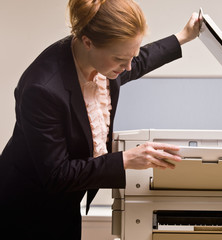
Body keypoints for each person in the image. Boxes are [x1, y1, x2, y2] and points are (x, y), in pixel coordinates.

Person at [0, 0, 200, 239]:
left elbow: (138, 61)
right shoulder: (42, 89)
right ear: (88, 42)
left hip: (65, 205)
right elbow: (56, 175)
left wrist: (183, 36)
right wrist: (125, 160)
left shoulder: (101, 61)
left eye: (131, 55)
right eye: (120, 59)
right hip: (24, 211)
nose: (128, 67)